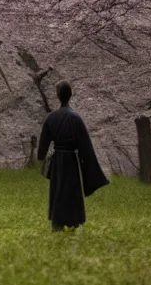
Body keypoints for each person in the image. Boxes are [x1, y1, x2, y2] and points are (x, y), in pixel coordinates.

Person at [37, 81, 109, 231]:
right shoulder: (76, 118)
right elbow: (86, 146)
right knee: (71, 190)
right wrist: (90, 169)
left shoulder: (51, 118)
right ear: (70, 95)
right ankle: (73, 221)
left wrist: (41, 156)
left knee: (58, 189)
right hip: (71, 160)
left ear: (58, 96)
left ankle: (56, 223)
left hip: (57, 161)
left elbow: (43, 146)